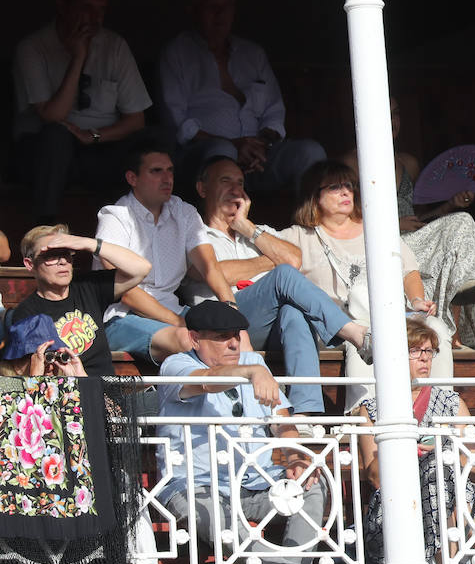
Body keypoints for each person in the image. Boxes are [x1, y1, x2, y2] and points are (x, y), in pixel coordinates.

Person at [156, 300, 366, 564]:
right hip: (196, 489)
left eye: (236, 335)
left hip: (259, 483)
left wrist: (293, 460)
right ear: (194, 339)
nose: (232, 343)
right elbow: (205, 381)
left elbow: (282, 424)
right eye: (220, 336)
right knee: (231, 531)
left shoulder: (252, 361)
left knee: (312, 482)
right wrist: (253, 371)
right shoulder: (175, 364)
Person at [187, 156, 374, 413]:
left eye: (240, 182)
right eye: (225, 180)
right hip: (219, 326)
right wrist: (269, 262)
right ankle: (354, 333)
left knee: (293, 313)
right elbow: (211, 271)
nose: (235, 188)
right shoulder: (193, 233)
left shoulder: (257, 231)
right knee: (282, 275)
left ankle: (306, 414)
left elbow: (294, 258)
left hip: (260, 328)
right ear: (202, 188)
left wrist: (247, 227)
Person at [278, 160, 447, 409]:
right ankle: (365, 417)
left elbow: (408, 271)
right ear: (314, 195)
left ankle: (443, 411)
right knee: (362, 340)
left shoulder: (376, 230)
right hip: (339, 327)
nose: (346, 192)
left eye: (349, 185)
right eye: (335, 187)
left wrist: (416, 301)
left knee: (437, 328)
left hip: (388, 316)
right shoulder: (298, 236)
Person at [355, 319, 475, 564]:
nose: (425, 359)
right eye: (415, 351)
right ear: (393, 356)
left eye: (429, 352)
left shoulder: (451, 403)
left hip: (449, 491)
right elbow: (374, 476)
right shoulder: (371, 409)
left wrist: (447, 452)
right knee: (437, 479)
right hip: (394, 503)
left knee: (444, 479)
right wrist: (403, 450)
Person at [11, 0, 167, 224]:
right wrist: (79, 57)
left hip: (99, 146)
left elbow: (136, 119)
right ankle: (45, 227)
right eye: (86, 8)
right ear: (63, 7)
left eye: (101, 10)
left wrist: (93, 137)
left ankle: (147, 226)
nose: (94, 18)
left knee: (156, 139)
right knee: (55, 137)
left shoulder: (114, 45)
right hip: (45, 151)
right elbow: (53, 116)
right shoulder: (33, 47)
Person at [340, 97, 475, 349]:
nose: (391, 121)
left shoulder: (408, 163)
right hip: (374, 248)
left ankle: (461, 310)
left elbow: (418, 219)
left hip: (412, 242)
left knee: (461, 221)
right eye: (383, 114)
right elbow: (342, 219)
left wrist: (449, 205)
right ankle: (452, 329)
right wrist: (393, 225)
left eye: (395, 114)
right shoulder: (349, 164)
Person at [158, 0, 325, 197]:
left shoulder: (252, 54)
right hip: (205, 154)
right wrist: (234, 145)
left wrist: (260, 146)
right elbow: (178, 123)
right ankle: (217, 227)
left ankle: (309, 227)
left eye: (226, 7)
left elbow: (274, 112)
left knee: (310, 152)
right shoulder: (177, 53)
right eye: (212, 7)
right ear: (194, 9)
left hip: (260, 156)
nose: (220, 15)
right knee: (222, 150)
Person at [94, 141, 235, 364]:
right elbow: (126, 292)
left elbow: (210, 267)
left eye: (170, 170)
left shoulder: (184, 212)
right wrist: (179, 322)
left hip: (173, 312)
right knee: (188, 339)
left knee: (233, 338)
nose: (167, 178)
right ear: (133, 178)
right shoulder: (115, 217)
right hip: (121, 318)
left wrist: (232, 312)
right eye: (156, 171)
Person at [9, 223, 150, 378]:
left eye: (66, 253)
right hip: (67, 394)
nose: (62, 261)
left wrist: (87, 243)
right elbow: (44, 375)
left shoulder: (88, 287)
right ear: (30, 264)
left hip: (105, 391)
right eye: (51, 256)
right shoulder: (28, 314)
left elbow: (141, 268)